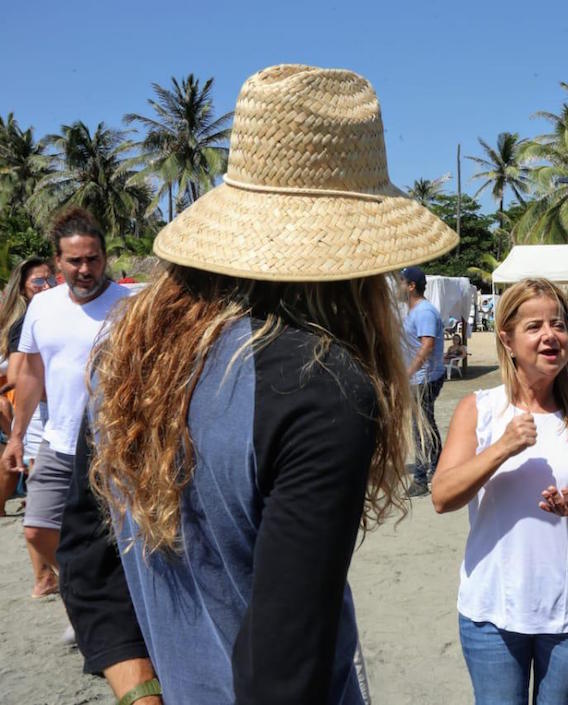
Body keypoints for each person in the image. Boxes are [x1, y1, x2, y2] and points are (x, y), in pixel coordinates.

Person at [57, 64, 457, 705]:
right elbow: (283, 667)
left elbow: (83, 549)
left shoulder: (129, 352)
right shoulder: (321, 384)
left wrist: (139, 693)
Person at [431, 278, 568, 705]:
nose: (550, 335)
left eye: (558, 324)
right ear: (508, 339)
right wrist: (502, 448)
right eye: (534, 326)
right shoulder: (479, 409)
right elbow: (443, 496)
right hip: (492, 615)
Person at [0, 210, 129, 601]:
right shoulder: (43, 306)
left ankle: (103, 602)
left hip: (116, 443)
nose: (85, 269)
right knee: (38, 530)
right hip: (58, 441)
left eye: (93, 259)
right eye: (75, 261)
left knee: (122, 536)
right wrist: (16, 438)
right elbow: (31, 374)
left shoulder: (130, 303)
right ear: (58, 262)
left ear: (105, 257)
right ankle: (85, 587)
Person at [0, 257, 54, 517]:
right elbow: (14, 374)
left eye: (50, 279)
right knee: (37, 475)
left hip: (46, 408)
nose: (47, 286)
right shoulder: (24, 323)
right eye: (38, 281)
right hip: (34, 410)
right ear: (22, 288)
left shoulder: (53, 314)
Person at [400, 265, 446, 498]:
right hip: (419, 378)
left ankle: (422, 477)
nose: (398, 286)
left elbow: (427, 345)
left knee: (422, 429)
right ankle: (436, 470)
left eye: (401, 281)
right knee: (423, 425)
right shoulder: (413, 310)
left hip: (425, 378)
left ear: (411, 286)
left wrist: (407, 373)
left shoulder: (424, 311)